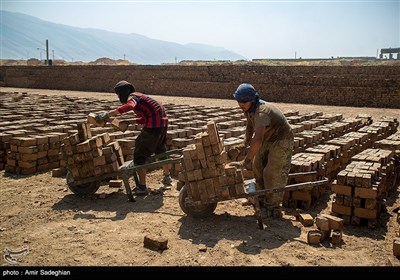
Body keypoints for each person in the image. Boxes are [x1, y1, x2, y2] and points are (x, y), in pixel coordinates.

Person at [94, 80, 172, 195]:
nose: (119, 97)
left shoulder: (133, 98)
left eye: (119, 94)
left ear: (123, 92)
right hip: (163, 124)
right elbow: (145, 118)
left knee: (140, 153)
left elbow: (128, 107)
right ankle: (167, 177)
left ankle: (142, 187)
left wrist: (108, 114)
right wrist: (129, 121)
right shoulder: (141, 96)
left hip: (154, 125)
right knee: (161, 150)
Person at [233, 83, 294, 216]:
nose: (240, 104)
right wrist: (244, 144)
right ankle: (259, 199)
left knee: (272, 172)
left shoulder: (262, 112)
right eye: (238, 101)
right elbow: (250, 128)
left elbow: (258, 138)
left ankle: (273, 206)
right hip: (269, 137)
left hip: (282, 139)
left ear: (252, 100)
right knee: (257, 166)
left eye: (244, 101)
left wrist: (247, 159)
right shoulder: (249, 110)